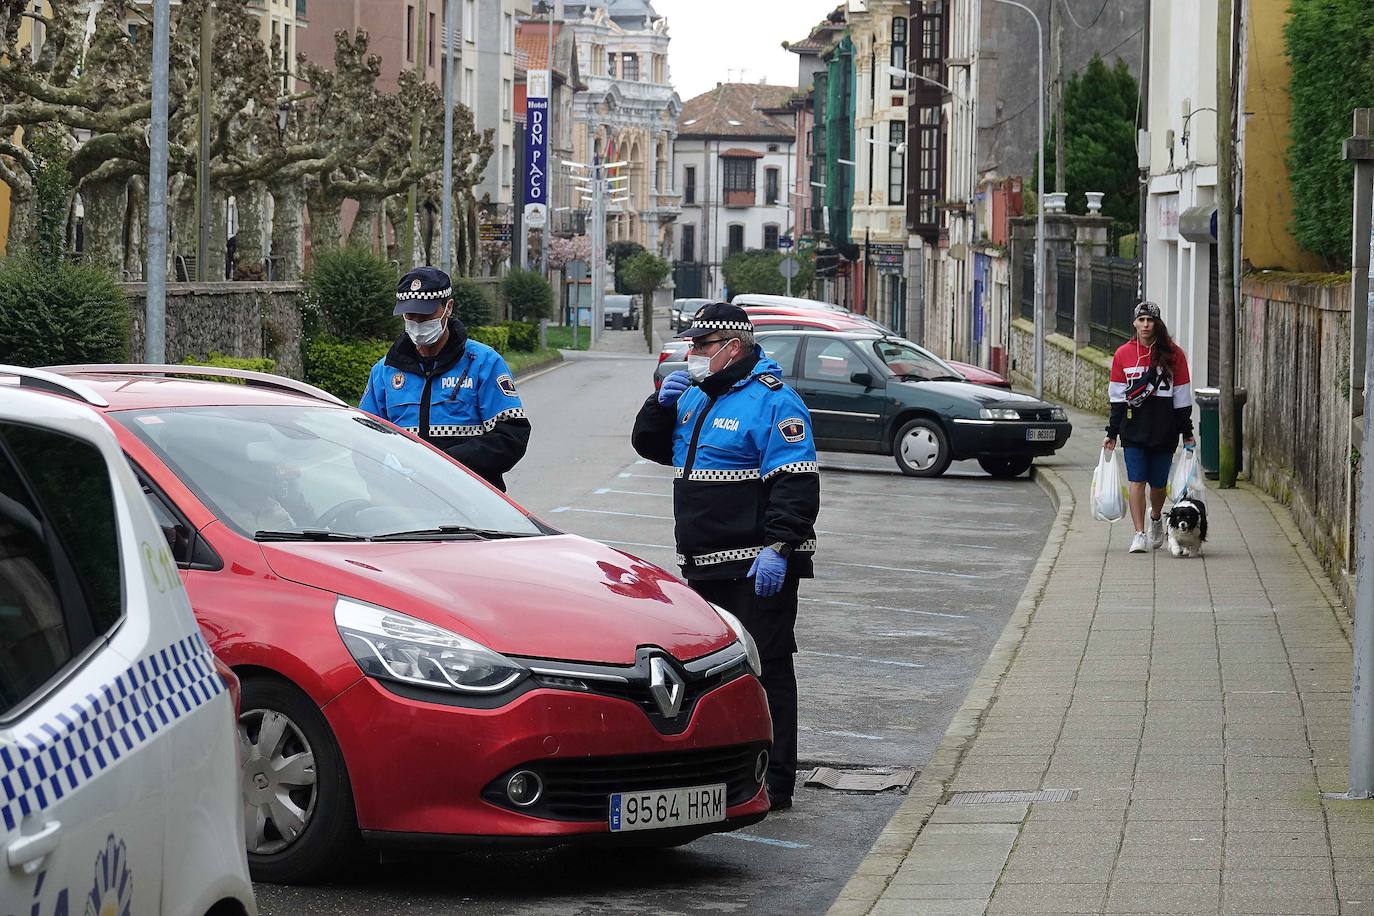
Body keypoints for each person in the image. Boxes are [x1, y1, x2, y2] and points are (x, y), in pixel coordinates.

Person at [631, 302, 820, 811]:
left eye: (700, 347)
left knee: (770, 670)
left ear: (733, 348)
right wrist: (659, 405)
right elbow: (651, 445)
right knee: (715, 675)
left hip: (756, 566)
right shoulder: (695, 397)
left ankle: (776, 782)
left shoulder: (774, 402)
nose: (690, 355)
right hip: (704, 565)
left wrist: (779, 547)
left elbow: (795, 486)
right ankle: (729, 773)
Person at [360, 266, 530, 491]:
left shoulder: (483, 363)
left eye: (426, 315)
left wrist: (444, 464)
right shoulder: (384, 371)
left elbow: (511, 437)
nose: (418, 323)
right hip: (403, 499)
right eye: (411, 316)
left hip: (471, 498)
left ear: (448, 308)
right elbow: (363, 440)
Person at [1103, 301, 1196, 553]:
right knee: (1136, 481)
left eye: (1150, 320)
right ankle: (1139, 533)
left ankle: (1156, 518)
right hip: (1133, 429)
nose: (1145, 325)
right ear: (1134, 323)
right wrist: (1112, 433)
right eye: (1141, 320)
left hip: (1164, 430)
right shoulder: (1123, 354)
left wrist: (1186, 432)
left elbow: (1182, 398)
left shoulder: (1174, 355)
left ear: (1157, 324)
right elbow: (1117, 398)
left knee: (1157, 485)